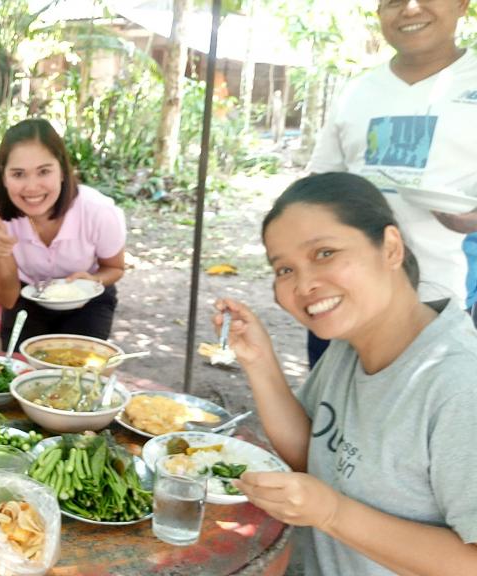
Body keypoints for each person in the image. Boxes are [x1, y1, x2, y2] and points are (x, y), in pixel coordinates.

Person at [216, 173, 477, 576]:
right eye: (284, 269)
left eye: (325, 253)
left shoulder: (458, 384)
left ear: (391, 248)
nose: (304, 284)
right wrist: (259, 361)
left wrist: (332, 513)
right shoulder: (350, 344)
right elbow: (314, 456)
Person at [305, 0, 477, 364]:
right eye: (393, 1)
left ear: (462, 4)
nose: (410, 9)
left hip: (443, 302)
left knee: (429, 399)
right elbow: (321, 186)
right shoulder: (357, 91)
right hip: (344, 295)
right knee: (329, 398)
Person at [0, 118, 126, 345]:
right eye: (18, 174)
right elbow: (7, 300)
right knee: (19, 363)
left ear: (62, 171)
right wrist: (1, 254)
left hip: (88, 301)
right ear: (4, 177)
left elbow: (115, 268)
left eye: (43, 172)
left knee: (78, 363)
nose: (32, 187)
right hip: (27, 298)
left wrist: (94, 279)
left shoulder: (98, 211)